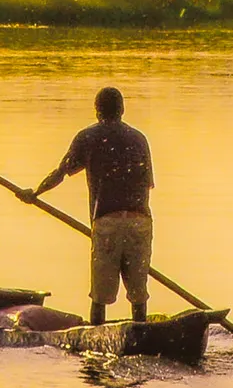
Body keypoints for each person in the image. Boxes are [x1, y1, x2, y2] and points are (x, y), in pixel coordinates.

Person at [35, 85, 153, 323]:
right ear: (122, 110)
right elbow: (147, 185)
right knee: (139, 295)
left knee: (100, 297)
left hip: (107, 223)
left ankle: (97, 340)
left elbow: (61, 172)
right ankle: (141, 331)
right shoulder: (139, 139)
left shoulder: (88, 137)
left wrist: (35, 193)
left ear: (97, 111)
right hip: (140, 221)